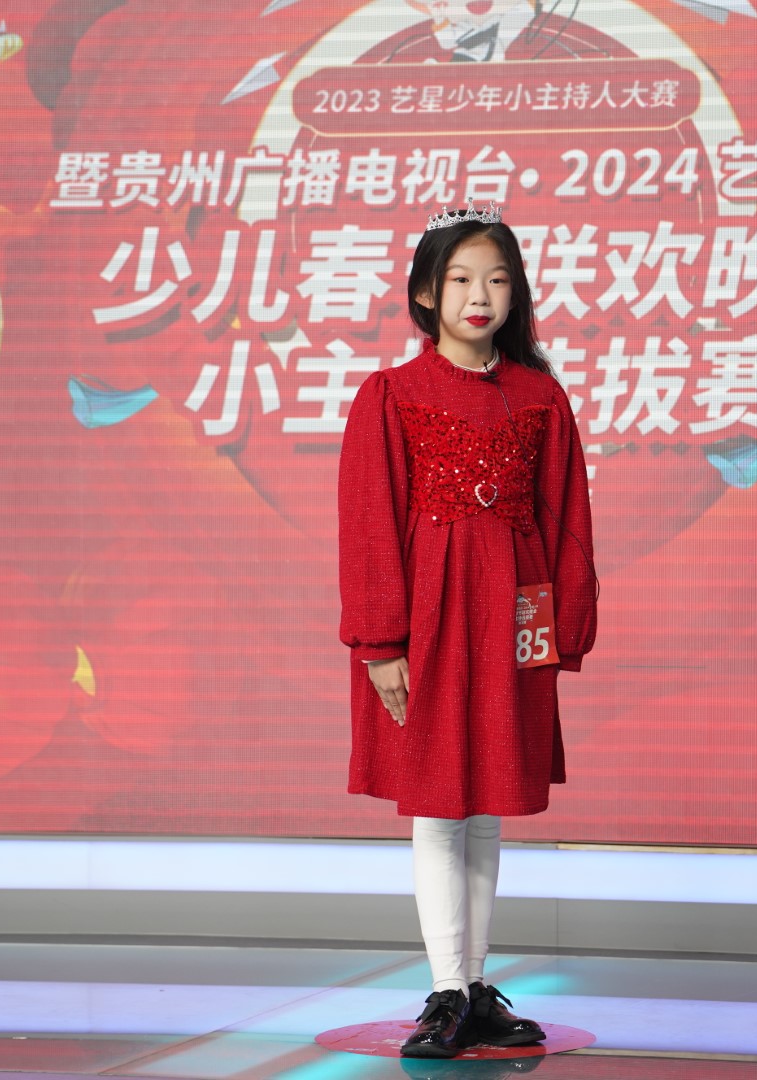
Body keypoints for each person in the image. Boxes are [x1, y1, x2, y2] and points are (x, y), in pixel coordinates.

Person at [337, 202, 598, 1059]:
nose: (479, 296)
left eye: (497, 280)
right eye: (459, 279)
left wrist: (561, 628)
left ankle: (477, 988)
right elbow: (370, 522)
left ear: (516, 294)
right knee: (438, 805)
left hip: (514, 615)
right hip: (430, 620)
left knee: (489, 803)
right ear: (425, 293)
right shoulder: (391, 395)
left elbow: (566, 520)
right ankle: (446, 989)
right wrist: (381, 642)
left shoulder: (540, 397)